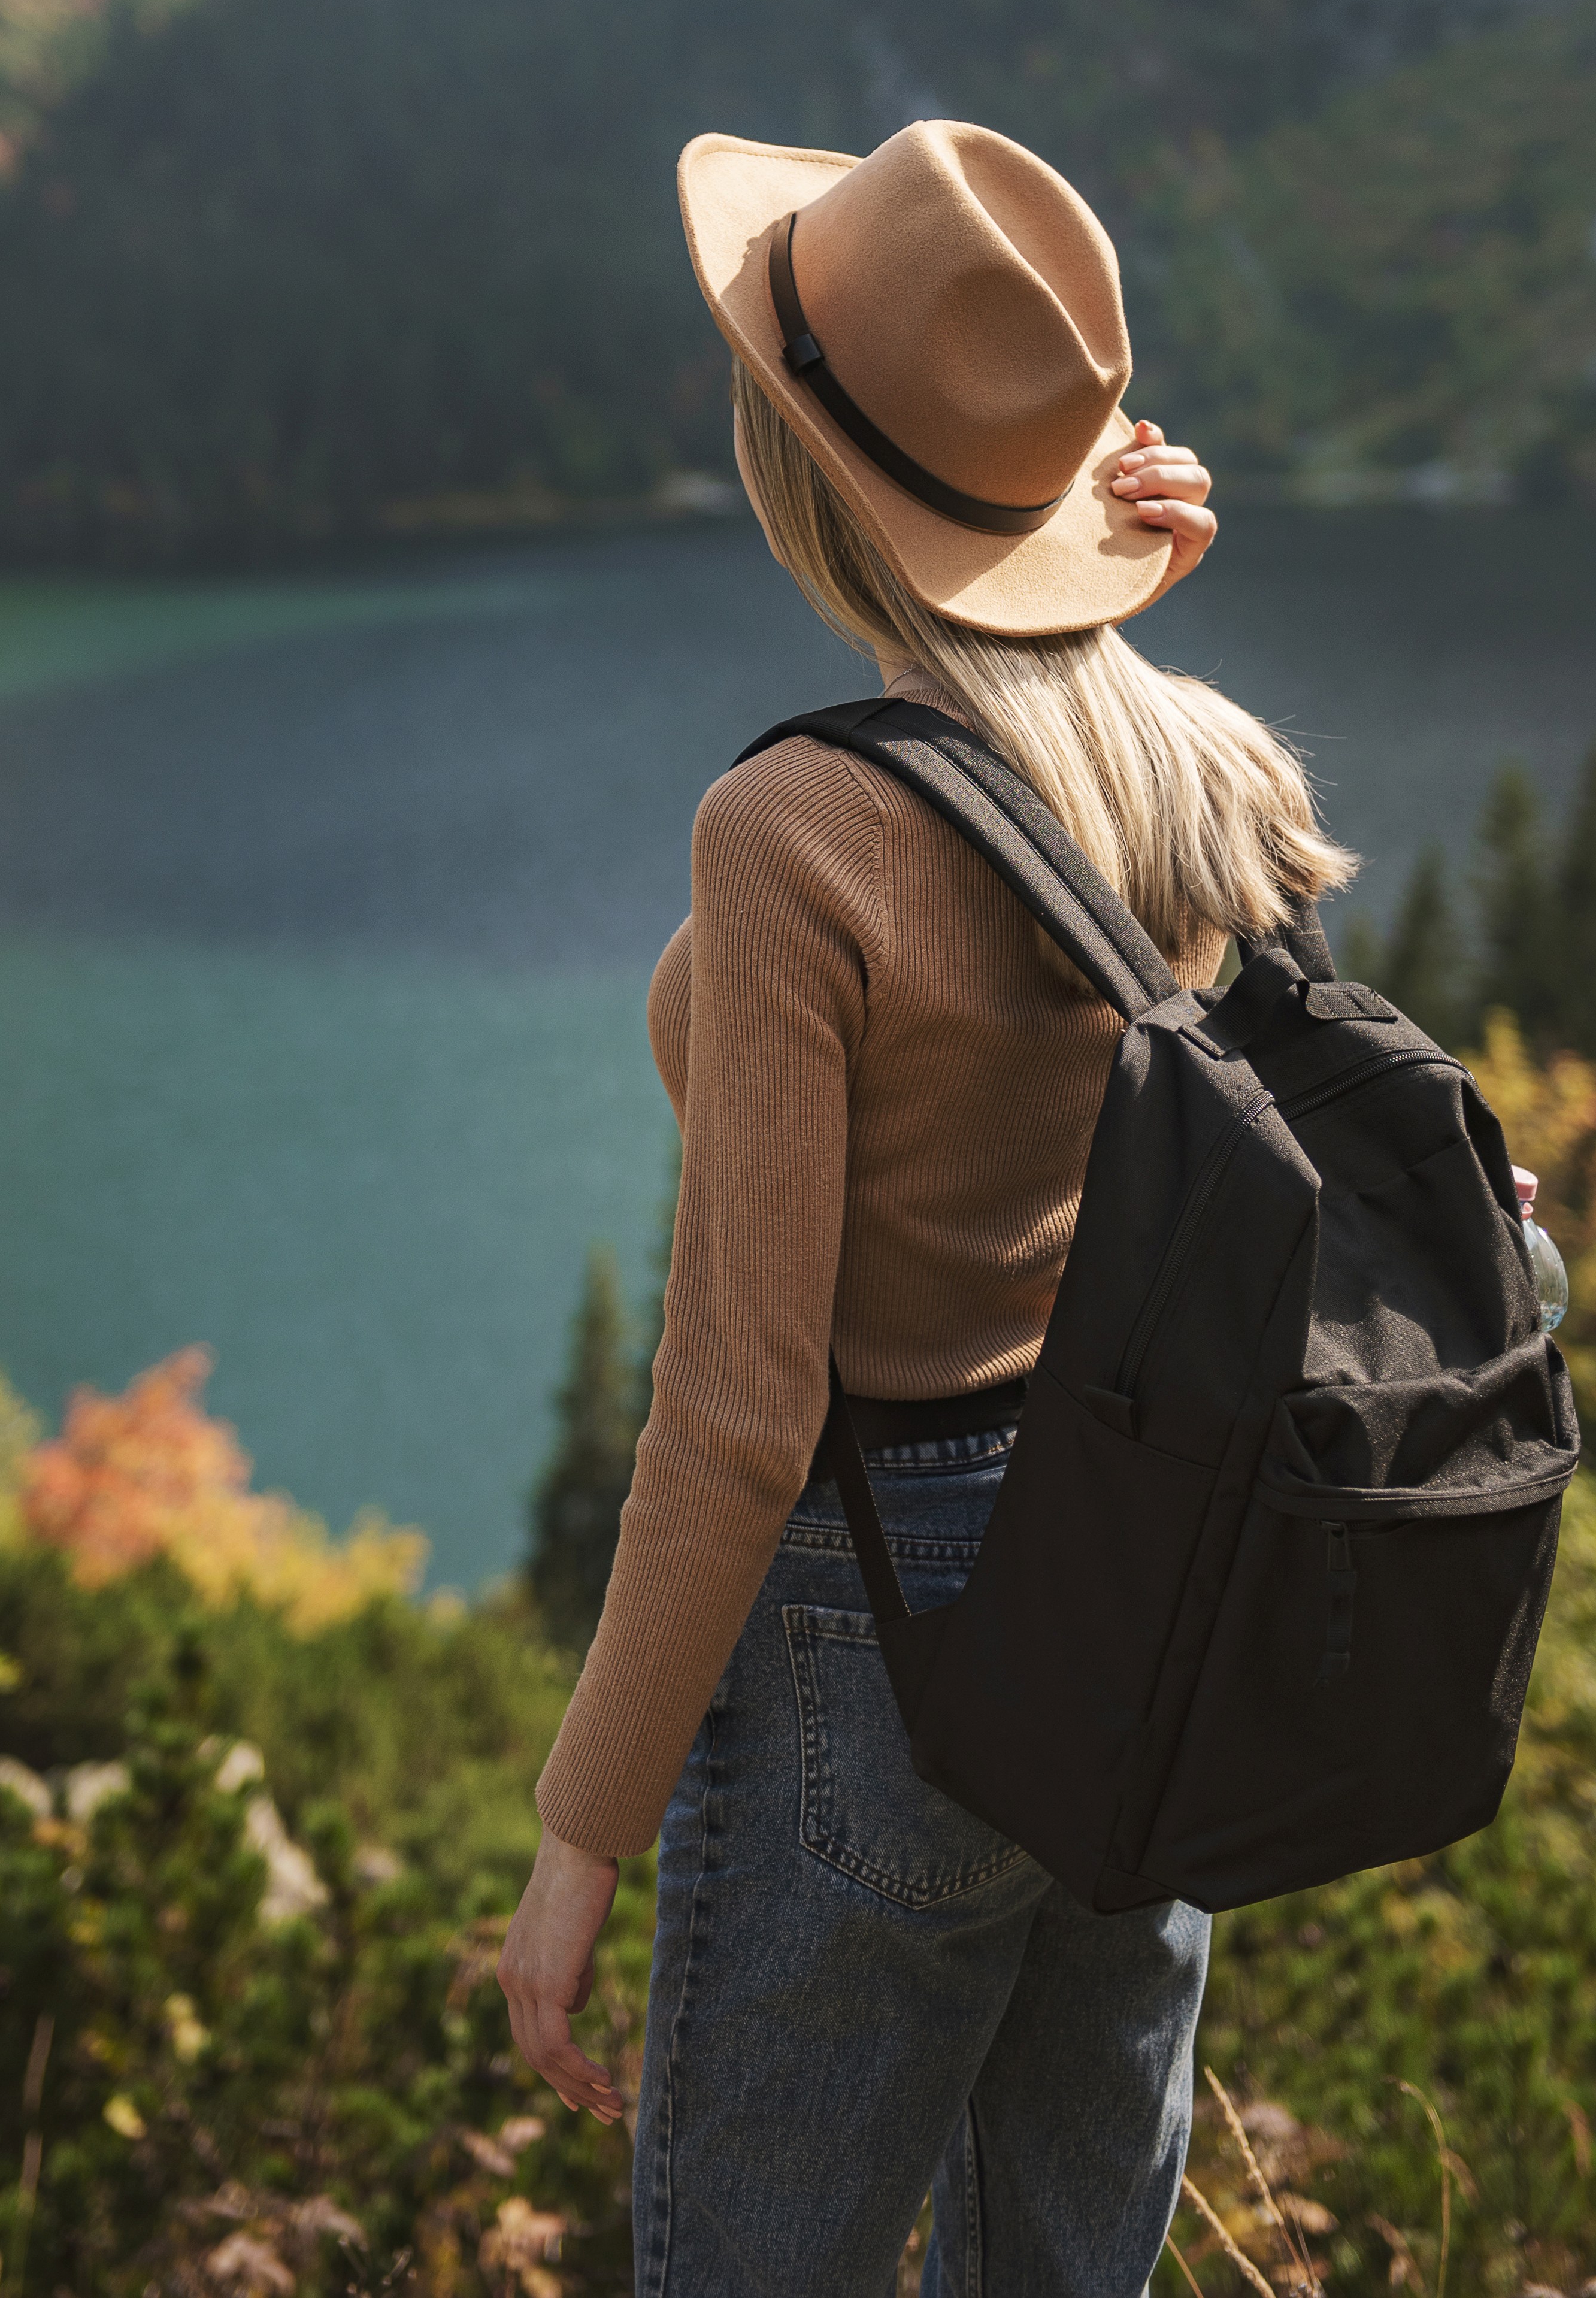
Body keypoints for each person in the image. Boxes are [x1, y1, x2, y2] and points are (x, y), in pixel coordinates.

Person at [499, 119, 1355, 2295]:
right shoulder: (1207, 774)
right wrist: (1097, 611)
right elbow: (1018, 924)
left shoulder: (790, 826)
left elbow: (734, 1414)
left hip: (876, 1621)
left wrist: (580, 1825)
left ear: (797, 470)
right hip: (1140, 1576)